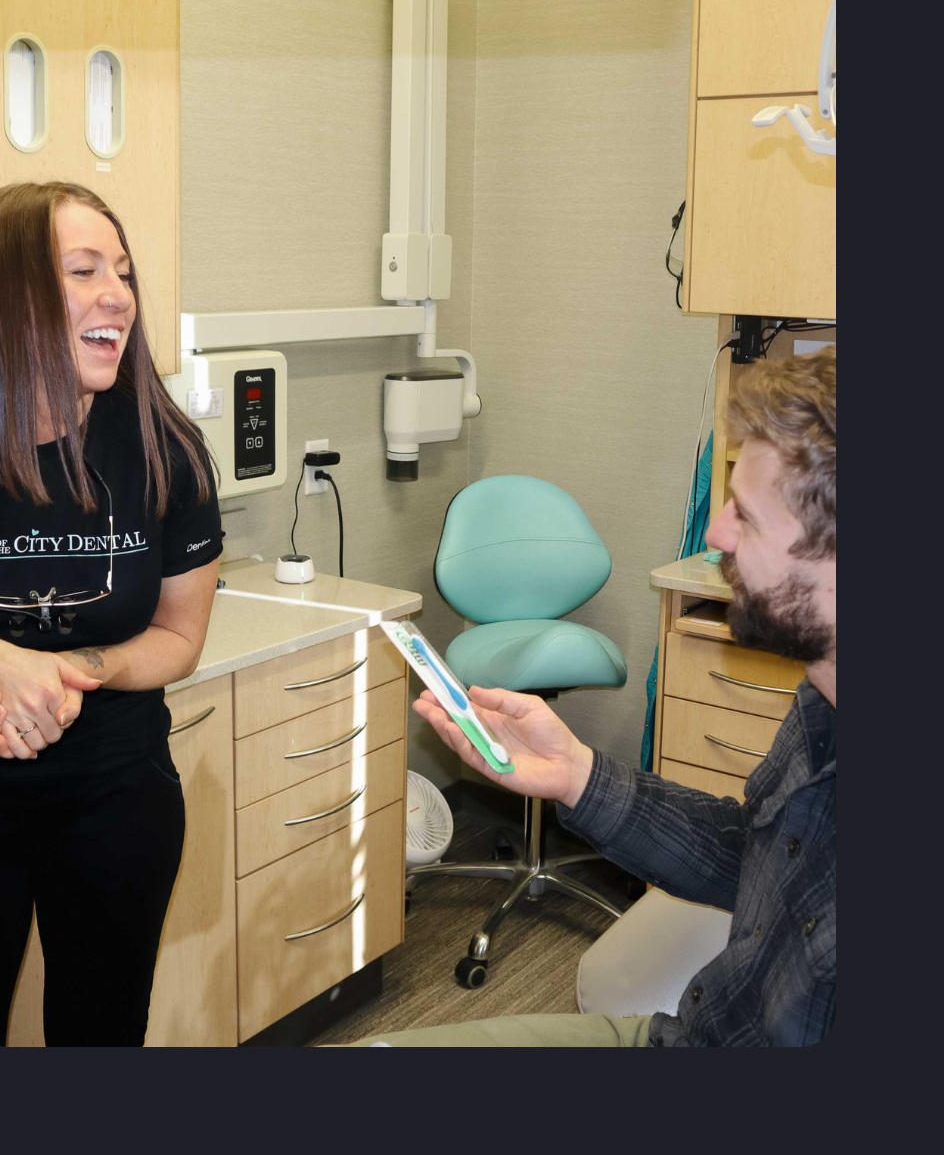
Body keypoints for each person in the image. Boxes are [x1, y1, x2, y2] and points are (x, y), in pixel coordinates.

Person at [349, 345, 835, 1047]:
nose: (714, 533)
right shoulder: (823, 701)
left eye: (746, 516)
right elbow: (746, 855)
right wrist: (577, 775)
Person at [0, 181, 224, 1046]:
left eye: (122, 271)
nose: (118, 291)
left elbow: (180, 637)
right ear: (4, 296)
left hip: (114, 787)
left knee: (101, 1035)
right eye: (83, 270)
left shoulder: (166, 449)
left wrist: (76, 671)